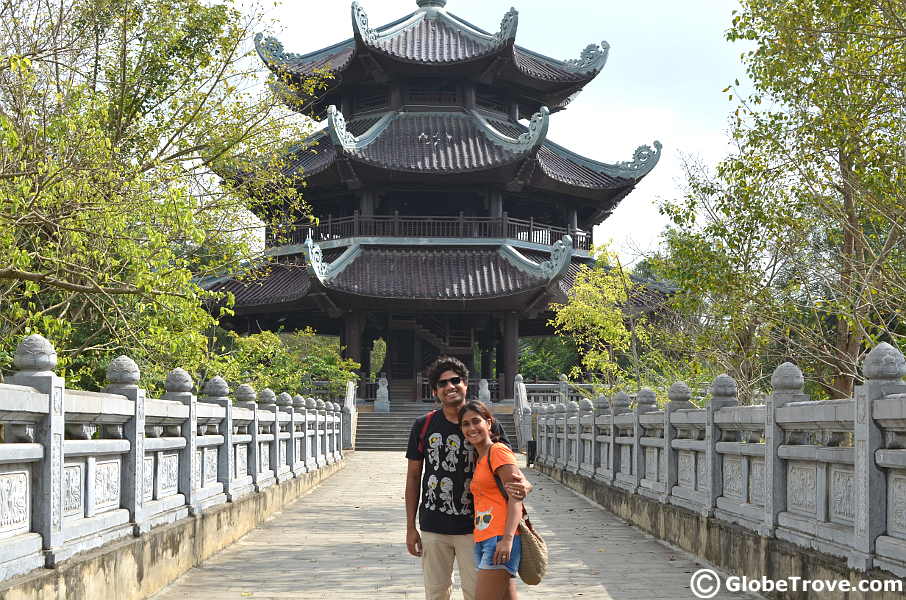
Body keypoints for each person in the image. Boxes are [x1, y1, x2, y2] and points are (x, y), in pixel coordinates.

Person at [405, 356, 530, 600]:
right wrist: (410, 527)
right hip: (433, 524)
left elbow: (508, 466)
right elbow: (413, 477)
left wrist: (524, 483)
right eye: (443, 383)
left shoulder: (483, 425)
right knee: (436, 593)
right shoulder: (423, 425)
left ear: (465, 384)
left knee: (476, 594)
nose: (450, 387)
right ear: (435, 391)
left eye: (455, 380)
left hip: (477, 527)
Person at [459, 400, 523, 600]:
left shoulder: (498, 451)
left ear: (489, 422)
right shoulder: (480, 458)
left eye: (476, 421)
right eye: (465, 424)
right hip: (484, 538)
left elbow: (516, 498)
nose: (471, 428)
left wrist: (507, 540)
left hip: (498, 540)